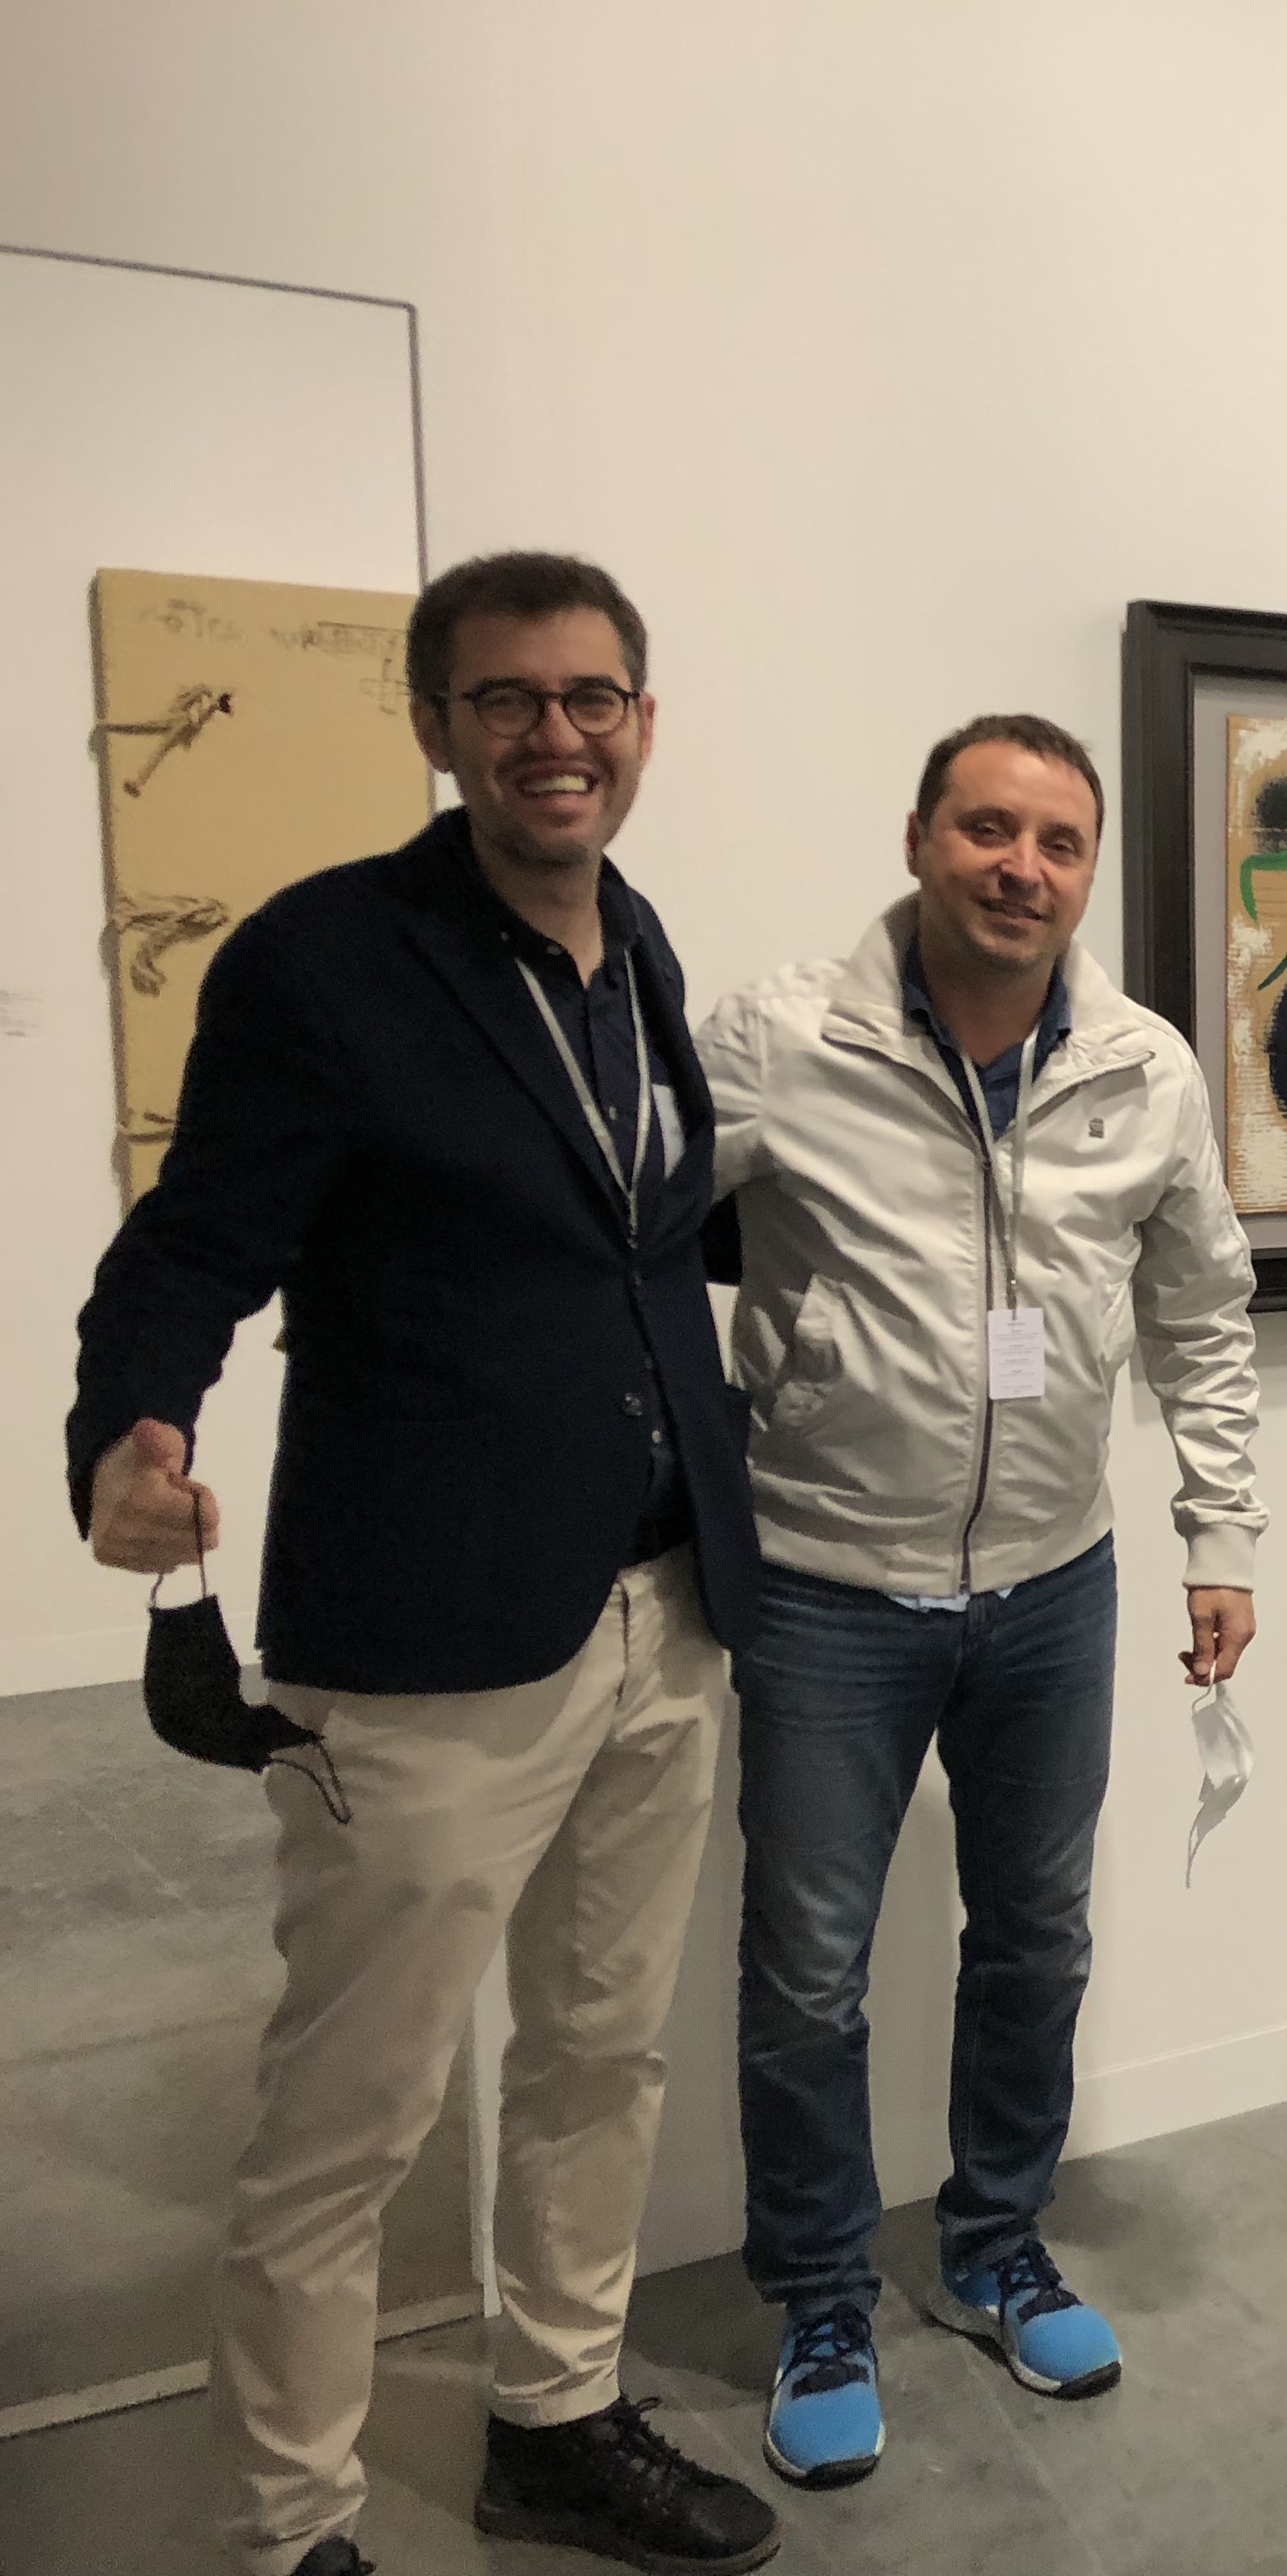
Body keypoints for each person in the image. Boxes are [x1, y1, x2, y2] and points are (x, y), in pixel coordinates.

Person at [67, 553, 779, 2576]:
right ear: (435, 727)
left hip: (662, 1603)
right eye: (506, 699)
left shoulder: (635, 944)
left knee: (600, 2054)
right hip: (429, 1635)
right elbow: (195, 1241)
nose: (556, 734)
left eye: (590, 697)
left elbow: (638, 1233)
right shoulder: (325, 960)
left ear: (643, 720)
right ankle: (288, 2522)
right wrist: (129, 1428)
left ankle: (556, 2417)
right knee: (352, 2117)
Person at [697, 713, 1266, 2489]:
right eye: (988, 829)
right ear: (920, 838)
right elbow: (619, 1245)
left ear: (1088, 870)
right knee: (808, 1976)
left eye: (1058, 841)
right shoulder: (781, 1038)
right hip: (825, 1584)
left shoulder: (1143, 1067)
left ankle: (996, 2246)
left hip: (1054, 1582)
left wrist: (1221, 1536)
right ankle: (818, 2297)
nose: (1023, 868)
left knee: (1037, 1940)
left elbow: (1202, 1313)